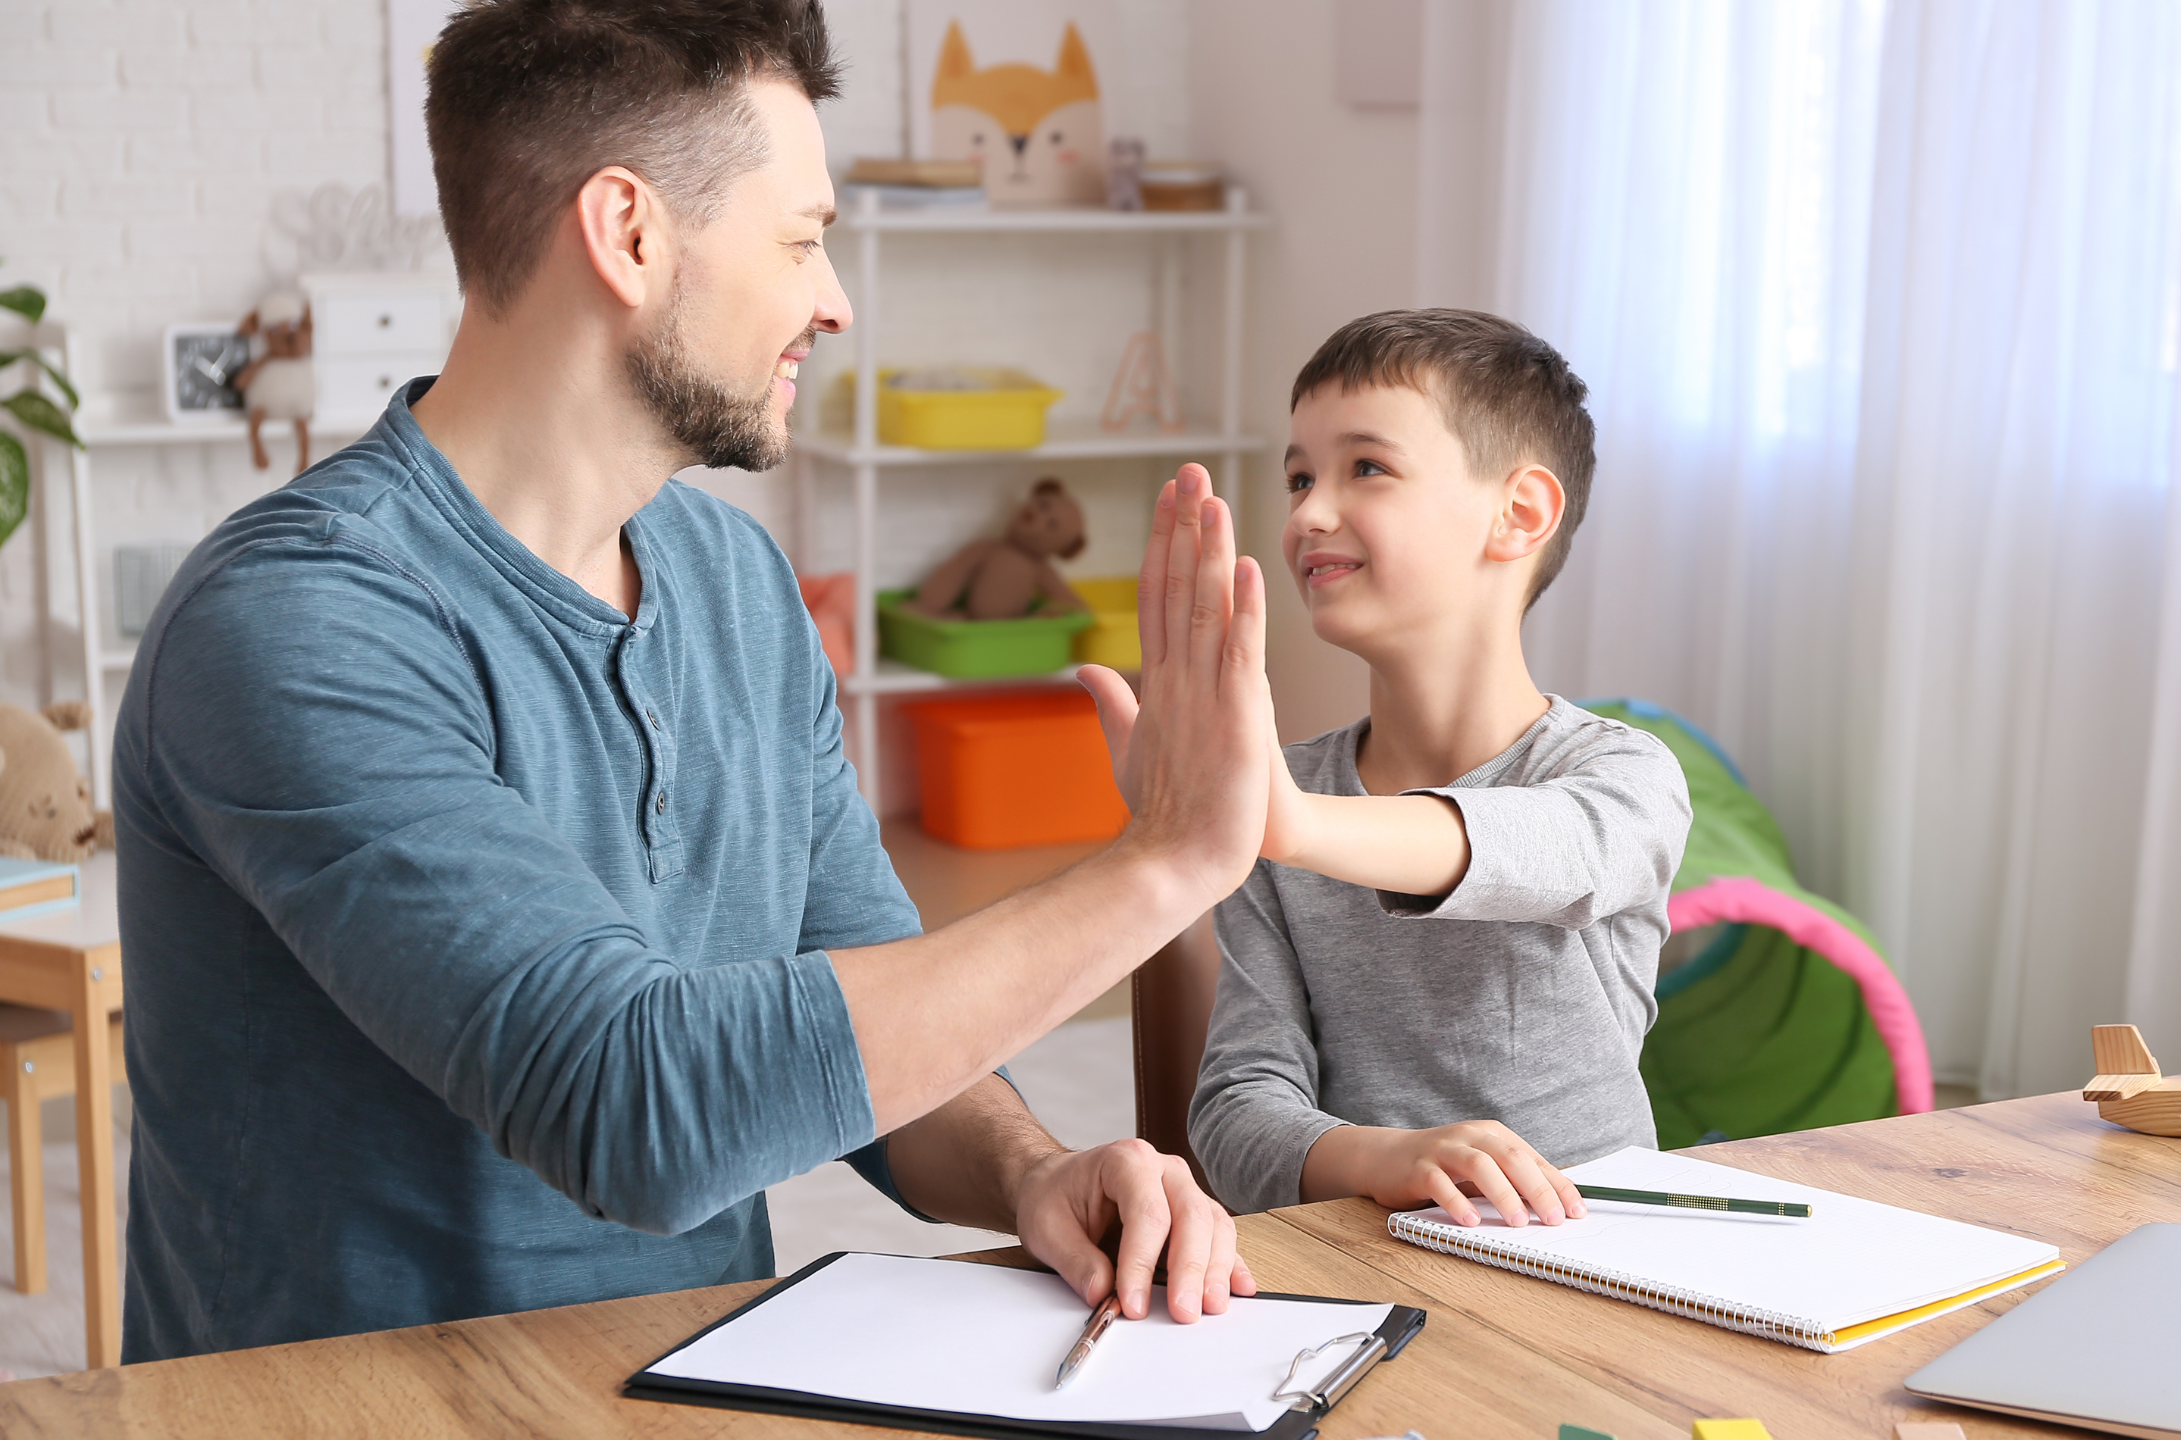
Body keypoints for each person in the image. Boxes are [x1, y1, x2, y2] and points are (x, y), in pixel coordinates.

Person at [112, 0, 1273, 1362]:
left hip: (689, 1379)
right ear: (630, 233)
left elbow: (875, 1011)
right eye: (802, 239)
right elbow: (635, 1108)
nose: (833, 299)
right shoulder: (297, 619)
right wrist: (1164, 864)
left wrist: (1030, 1172)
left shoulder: (732, 579)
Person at [1186, 310, 1691, 1222]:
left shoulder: (1625, 776)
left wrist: (1294, 826)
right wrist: (1389, 1159)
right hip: (1360, 1252)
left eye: (1365, 468)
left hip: (1599, 1263)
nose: (1309, 512)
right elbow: (1234, 1120)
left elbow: (1556, 856)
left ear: (1518, 514)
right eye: (1299, 477)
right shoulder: (1281, 807)